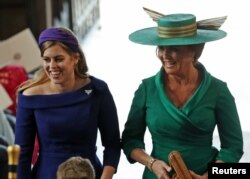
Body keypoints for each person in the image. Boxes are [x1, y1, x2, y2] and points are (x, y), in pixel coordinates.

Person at [121, 13, 244, 179]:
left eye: (174, 49)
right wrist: (152, 163)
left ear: (194, 51)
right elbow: (130, 141)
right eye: (161, 48)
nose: (165, 55)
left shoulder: (218, 90)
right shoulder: (146, 89)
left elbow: (233, 148)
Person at [14, 27, 121, 179]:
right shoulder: (30, 97)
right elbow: (22, 154)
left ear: (75, 58)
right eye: (46, 60)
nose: (52, 66)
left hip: (90, 175)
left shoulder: (98, 90)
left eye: (59, 59)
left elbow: (112, 144)